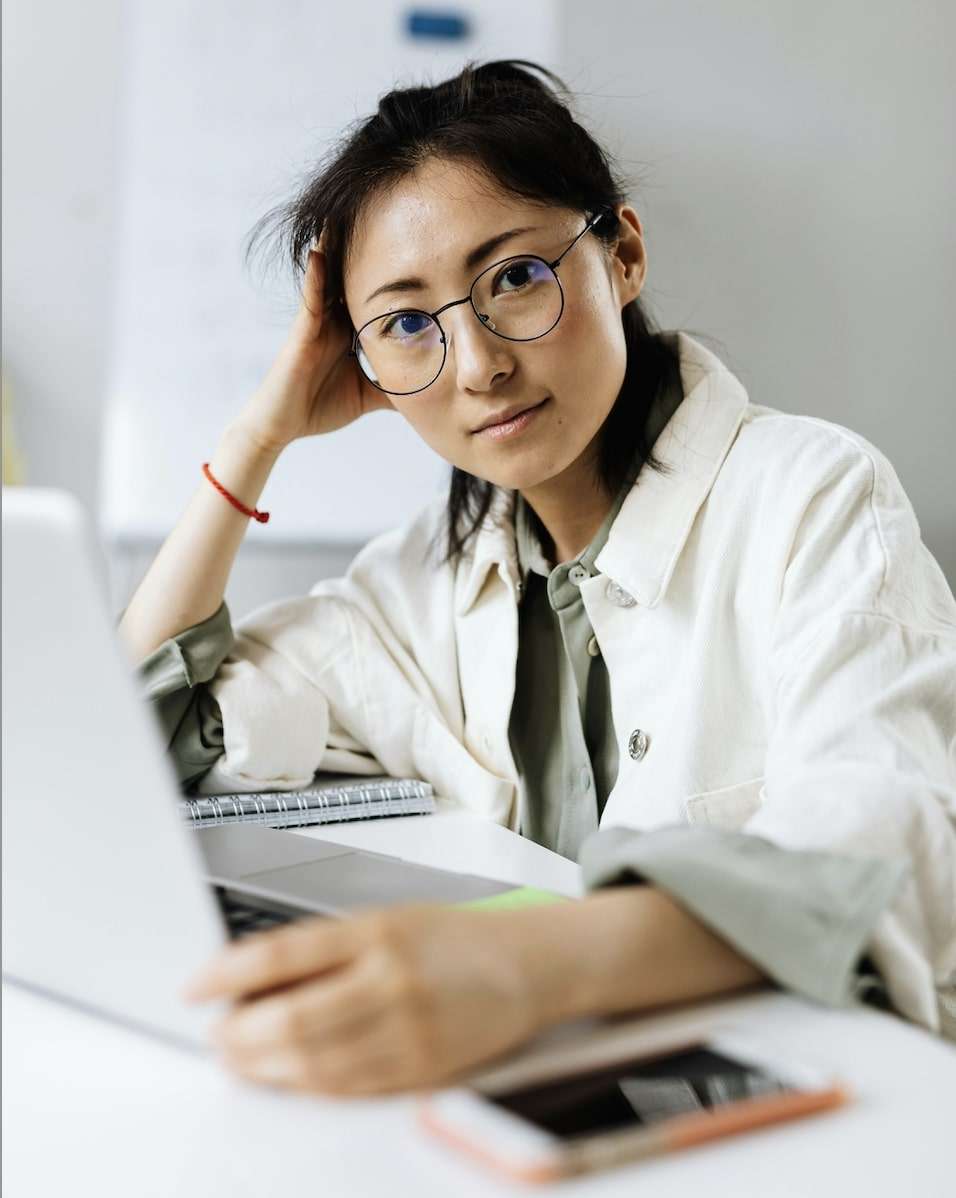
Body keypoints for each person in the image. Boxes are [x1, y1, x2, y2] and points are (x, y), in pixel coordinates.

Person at [118, 60, 956, 1096]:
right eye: (407, 324)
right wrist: (257, 436)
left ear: (624, 254)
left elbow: (880, 854)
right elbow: (144, 737)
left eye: (513, 276)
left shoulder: (810, 497)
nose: (475, 366)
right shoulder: (427, 574)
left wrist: (520, 969)